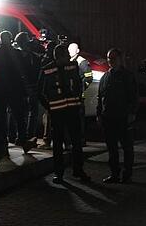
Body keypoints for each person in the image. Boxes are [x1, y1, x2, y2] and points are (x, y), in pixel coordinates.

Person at [38, 44, 89, 184]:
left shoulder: (73, 67)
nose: (68, 56)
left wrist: (78, 100)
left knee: (76, 142)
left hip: (72, 110)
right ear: (58, 56)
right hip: (58, 113)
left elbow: (78, 84)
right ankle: (59, 173)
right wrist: (49, 107)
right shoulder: (47, 70)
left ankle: (78, 170)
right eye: (65, 54)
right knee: (58, 144)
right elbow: (40, 92)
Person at [97, 48, 138, 184]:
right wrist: (99, 114)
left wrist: (131, 114)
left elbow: (133, 96)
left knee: (126, 147)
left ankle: (127, 174)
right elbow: (100, 97)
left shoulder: (127, 76)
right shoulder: (105, 77)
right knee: (112, 149)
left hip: (122, 117)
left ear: (120, 59)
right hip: (109, 117)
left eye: (113, 58)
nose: (111, 61)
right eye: (109, 58)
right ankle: (115, 173)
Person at [0, 30, 31, 152]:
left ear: (1, 40)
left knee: (1, 117)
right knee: (19, 116)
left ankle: (3, 143)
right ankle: (22, 139)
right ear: (11, 39)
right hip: (15, 89)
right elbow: (22, 70)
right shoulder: (16, 53)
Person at [14, 31, 43, 145]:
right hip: (24, 88)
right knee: (26, 113)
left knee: (29, 113)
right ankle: (24, 136)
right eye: (27, 40)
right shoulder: (20, 56)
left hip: (29, 87)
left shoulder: (31, 56)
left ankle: (27, 136)